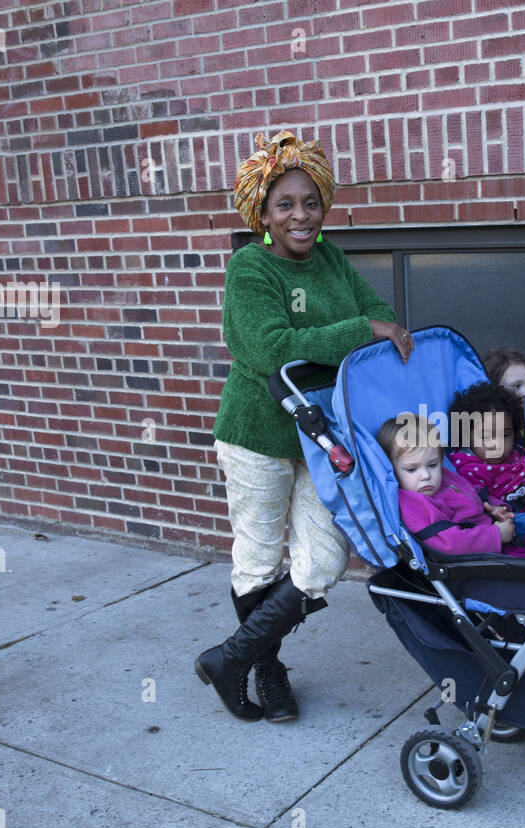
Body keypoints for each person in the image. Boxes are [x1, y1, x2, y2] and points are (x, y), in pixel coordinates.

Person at [196, 130, 414, 724]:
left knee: (325, 558)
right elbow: (268, 349)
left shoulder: (332, 259)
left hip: (323, 434)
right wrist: (352, 335)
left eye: (311, 201)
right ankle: (266, 669)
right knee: (260, 559)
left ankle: (231, 655)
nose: (301, 215)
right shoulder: (249, 268)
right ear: (263, 213)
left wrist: (360, 332)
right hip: (257, 434)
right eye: (285, 204)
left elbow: (385, 319)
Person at [378, 412, 525, 654]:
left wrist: (494, 508)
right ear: (392, 470)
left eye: (432, 464)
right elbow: (449, 543)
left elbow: (472, 494)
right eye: (412, 469)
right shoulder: (413, 503)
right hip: (473, 571)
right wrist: (496, 535)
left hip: (499, 548)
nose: (425, 475)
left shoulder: (444, 479)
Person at [446, 383, 525, 515]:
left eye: (505, 435)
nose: (497, 444)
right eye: (486, 437)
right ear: (467, 436)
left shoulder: (520, 454)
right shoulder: (468, 471)